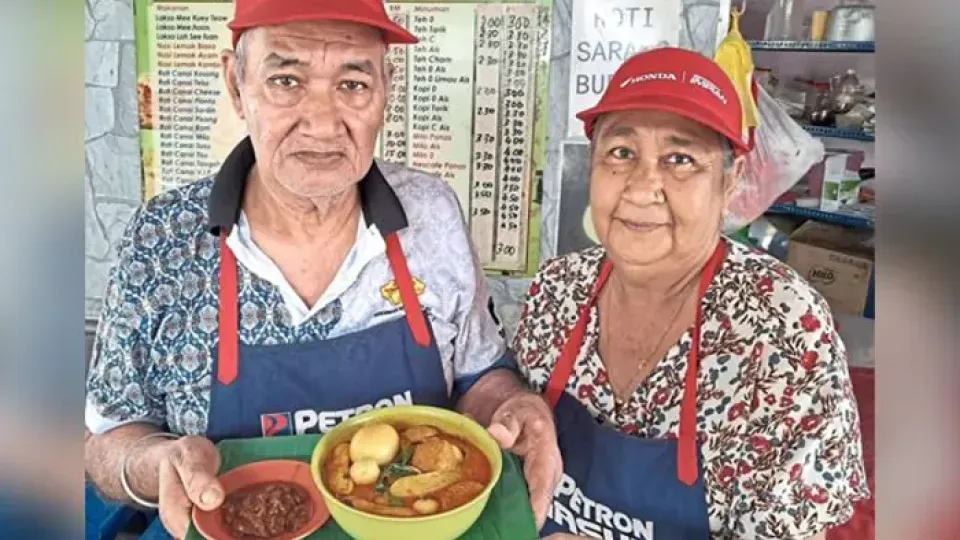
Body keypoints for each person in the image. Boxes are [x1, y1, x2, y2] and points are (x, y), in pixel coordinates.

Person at [83, 1, 561, 537]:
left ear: (386, 88)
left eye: (353, 84)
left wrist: (519, 406)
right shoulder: (162, 239)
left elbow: (479, 376)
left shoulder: (431, 216)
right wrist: (153, 464)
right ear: (236, 85)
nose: (322, 121)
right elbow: (108, 438)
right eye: (286, 79)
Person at [513, 48, 869, 540]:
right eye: (621, 153)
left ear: (730, 182)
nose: (641, 188)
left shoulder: (783, 327)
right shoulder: (558, 289)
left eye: (680, 159)